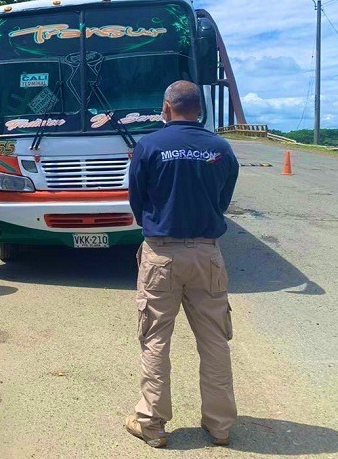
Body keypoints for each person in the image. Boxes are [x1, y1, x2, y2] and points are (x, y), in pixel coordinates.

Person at [125, 80, 240, 449]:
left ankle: (153, 423)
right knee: (214, 341)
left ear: (167, 106)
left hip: (161, 254)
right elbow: (222, 200)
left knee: (156, 339)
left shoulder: (149, 146)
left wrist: (160, 224)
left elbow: (137, 200)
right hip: (207, 254)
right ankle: (220, 426)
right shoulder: (221, 149)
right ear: (199, 108)